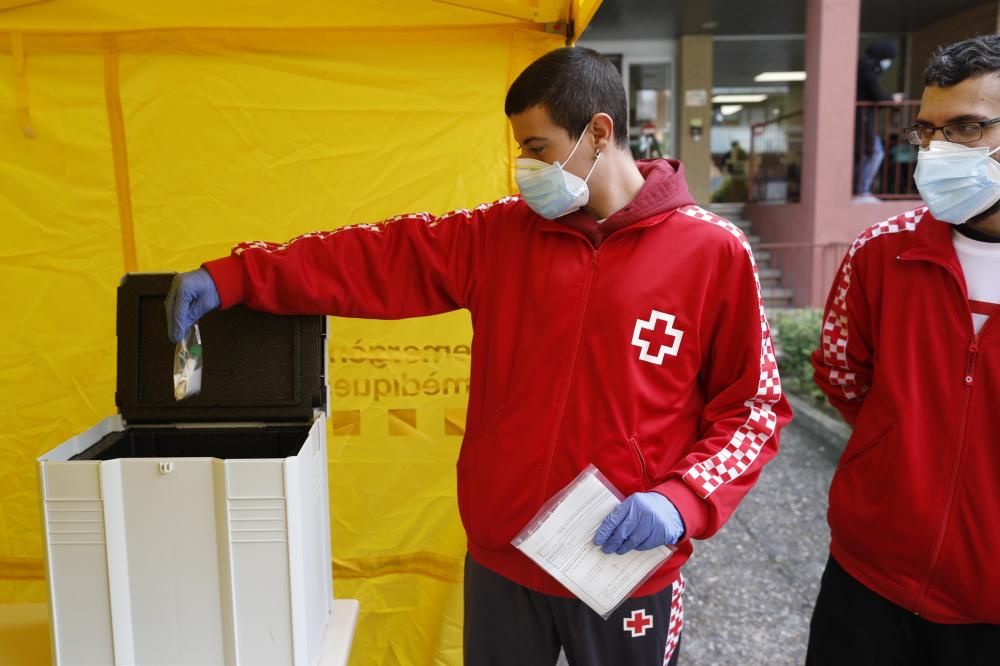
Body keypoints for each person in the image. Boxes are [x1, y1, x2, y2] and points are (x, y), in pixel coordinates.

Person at [166, 47, 791, 666]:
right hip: (504, 557)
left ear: (599, 133)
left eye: (538, 148)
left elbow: (755, 408)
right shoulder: (500, 236)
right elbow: (376, 257)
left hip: (623, 567)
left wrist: (680, 501)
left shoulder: (712, 252)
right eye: (521, 148)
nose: (525, 167)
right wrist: (237, 277)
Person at [808, 35, 1000, 666]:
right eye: (926, 132)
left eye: (967, 128)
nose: (938, 150)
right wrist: (898, 451)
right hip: (868, 582)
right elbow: (841, 374)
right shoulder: (879, 253)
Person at [854, 40, 898, 197]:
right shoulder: (868, 70)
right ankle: (862, 190)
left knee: (869, 153)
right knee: (875, 152)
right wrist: (893, 100)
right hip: (863, 120)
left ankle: (861, 189)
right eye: (889, 58)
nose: (889, 63)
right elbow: (877, 95)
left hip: (864, 119)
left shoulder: (865, 67)